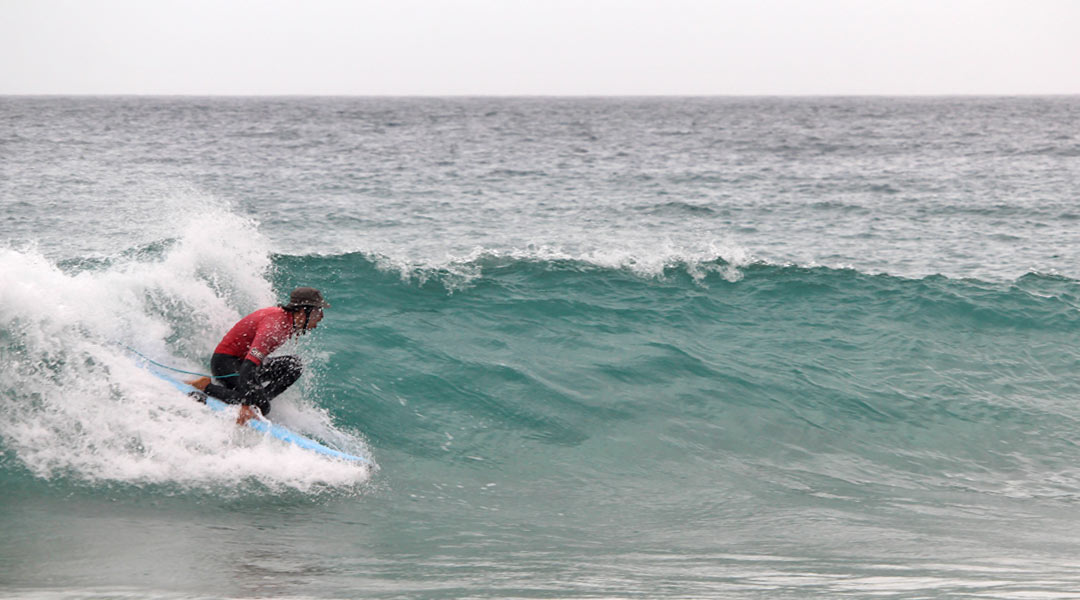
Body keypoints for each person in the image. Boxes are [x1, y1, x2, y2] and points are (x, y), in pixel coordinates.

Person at [189, 287, 330, 424]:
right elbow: (248, 366)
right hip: (226, 364)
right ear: (301, 311)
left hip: (244, 362)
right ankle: (207, 387)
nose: (319, 318)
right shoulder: (275, 327)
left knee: (294, 365)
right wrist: (246, 405)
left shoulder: (288, 320)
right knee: (262, 406)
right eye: (317, 313)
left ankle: (259, 401)